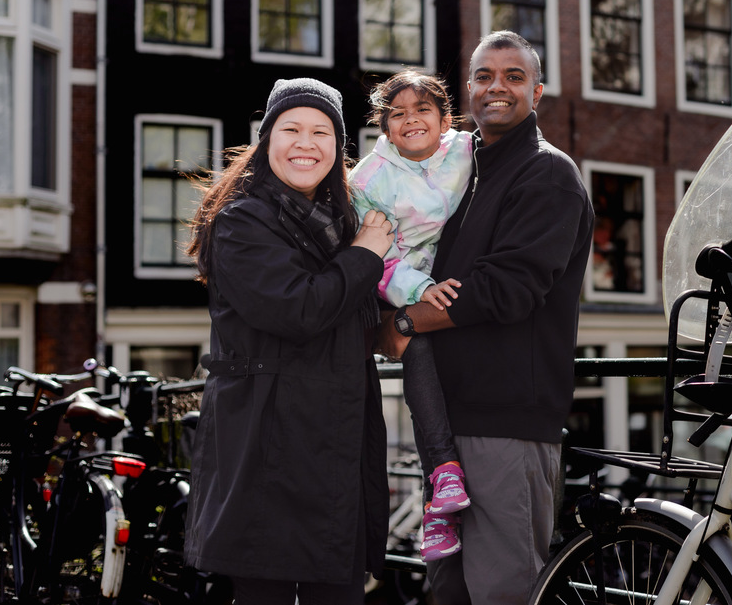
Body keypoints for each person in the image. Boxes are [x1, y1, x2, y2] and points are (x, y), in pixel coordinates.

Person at [379, 31, 596, 605]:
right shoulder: (462, 170)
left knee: (504, 591)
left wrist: (402, 325)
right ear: (469, 90)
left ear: (538, 91)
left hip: (506, 423)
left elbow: (508, 291)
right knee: (447, 593)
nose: (496, 87)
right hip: (447, 427)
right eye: (483, 76)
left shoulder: (546, 173)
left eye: (514, 76)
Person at [184, 77, 397, 605]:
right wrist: (367, 253)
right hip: (268, 450)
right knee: (266, 592)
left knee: (341, 592)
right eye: (292, 129)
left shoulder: (342, 220)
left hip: (334, 447)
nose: (307, 143)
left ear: (338, 146)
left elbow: (351, 314)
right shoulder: (239, 220)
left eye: (322, 131)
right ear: (266, 140)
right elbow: (298, 309)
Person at [348, 69, 474, 561]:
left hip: (452, 273)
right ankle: (441, 477)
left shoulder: (469, 150)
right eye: (397, 114)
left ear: (445, 118)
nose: (410, 120)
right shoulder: (368, 181)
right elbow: (376, 256)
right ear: (384, 127)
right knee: (417, 345)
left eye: (422, 109)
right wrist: (421, 290)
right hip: (400, 284)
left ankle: (440, 510)